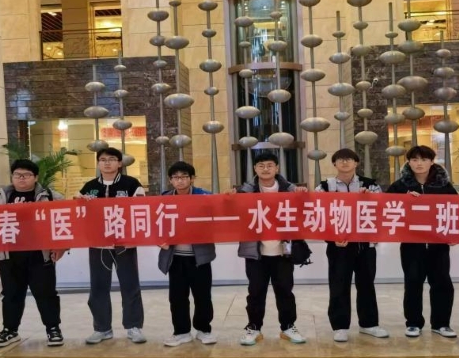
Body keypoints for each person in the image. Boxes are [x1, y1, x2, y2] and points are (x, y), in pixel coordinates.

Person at [0, 159, 65, 348]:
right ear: (12, 177)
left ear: (36, 177)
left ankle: (53, 328)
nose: (21, 178)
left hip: (40, 255)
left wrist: (62, 246)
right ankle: (10, 330)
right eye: (17, 175)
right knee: (11, 294)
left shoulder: (51, 197)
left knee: (46, 293)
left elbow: (64, 222)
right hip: (9, 256)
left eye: (27, 175)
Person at [234, 152, 308, 346]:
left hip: (283, 252)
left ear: (277, 168)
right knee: (255, 292)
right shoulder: (245, 192)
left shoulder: (291, 190)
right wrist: (228, 199)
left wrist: (303, 196)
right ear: (255, 169)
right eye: (261, 165)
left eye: (269, 165)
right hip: (255, 252)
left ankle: (288, 327)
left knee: (285, 291)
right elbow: (232, 213)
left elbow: (306, 212)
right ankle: (254, 328)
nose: (265, 169)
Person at [316, 148, 389, 343]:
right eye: (340, 159)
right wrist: (331, 237)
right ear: (334, 164)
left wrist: (369, 198)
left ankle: (369, 324)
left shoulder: (370, 185)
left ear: (356, 163)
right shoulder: (324, 187)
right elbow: (319, 215)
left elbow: (381, 210)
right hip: (338, 245)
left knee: (366, 284)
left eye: (349, 159)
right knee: (339, 284)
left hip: (365, 245)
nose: (345, 162)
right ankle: (340, 326)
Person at [386, 145, 459, 339]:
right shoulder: (400, 186)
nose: (419, 163)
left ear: (432, 161)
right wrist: (404, 200)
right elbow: (385, 208)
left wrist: (454, 235)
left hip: (438, 244)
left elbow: (457, 211)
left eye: (424, 159)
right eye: (415, 159)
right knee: (413, 283)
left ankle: (441, 324)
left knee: (442, 282)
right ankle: (413, 323)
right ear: (409, 162)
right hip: (411, 245)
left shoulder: (444, 186)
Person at [77, 147, 147, 345]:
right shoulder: (89, 186)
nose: (107, 163)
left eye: (111, 159)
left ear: (120, 163)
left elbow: (141, 208)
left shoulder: (132, 184)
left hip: (124, 243)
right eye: (102, 159)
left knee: (130, 285)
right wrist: (81, 201)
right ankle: (102, 328)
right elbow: (77, 212)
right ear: (98, 163)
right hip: (98, 244)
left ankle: (133, 326)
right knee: (98, 287)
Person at [157, 161, 217, 346]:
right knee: (177, 297)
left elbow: (218, 219)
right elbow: (155, 224)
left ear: (192, 179)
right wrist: (159, 239)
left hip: (199, 257)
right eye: (176, 177)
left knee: (202, 296)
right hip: (175, 257)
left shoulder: (205, 197)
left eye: (184, 177)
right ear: (170, 180)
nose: (180, 181)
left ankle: (204, 330)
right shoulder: (163, 199)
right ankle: (181, 332)